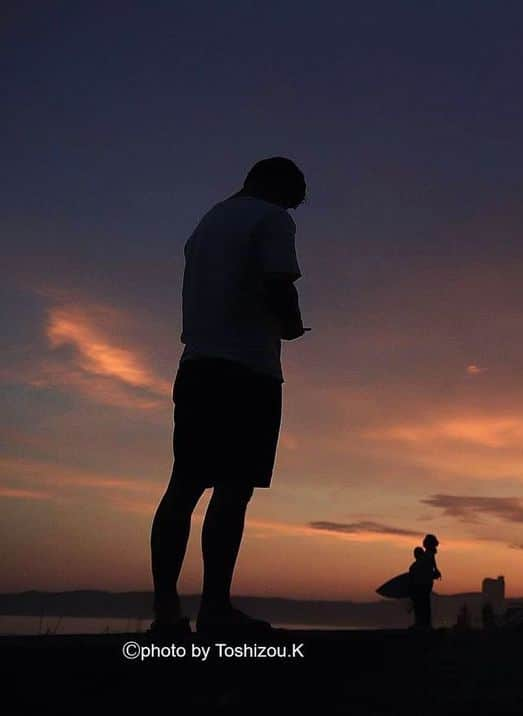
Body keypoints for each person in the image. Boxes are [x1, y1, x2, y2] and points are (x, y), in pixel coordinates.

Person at [149, 157, 307, 637]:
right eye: (292, 199)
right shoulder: (271, 218)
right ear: (279, 187)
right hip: (246, 371)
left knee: (183, 487)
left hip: (197, 366)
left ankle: (166, 610)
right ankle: (215, 606)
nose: (292, 208)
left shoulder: (207, 224)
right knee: (233, 490)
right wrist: (293, 327)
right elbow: (279, 283)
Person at [408, 545, 438, 630]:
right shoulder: (420, 566)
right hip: (422, 590)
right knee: (423, 608)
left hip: (420, 590)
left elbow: (411, 580)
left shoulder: (414, 566)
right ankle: (423, 624)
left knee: (421, 608)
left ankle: (422, 624)